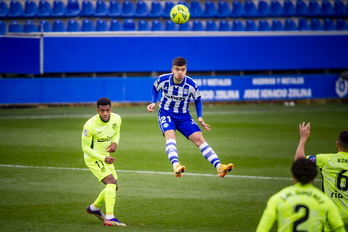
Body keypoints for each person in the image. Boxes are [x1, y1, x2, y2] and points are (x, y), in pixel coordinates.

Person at [146, 57, 234, 178]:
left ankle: (219, 166)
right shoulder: (163, 79)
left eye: (182, 69)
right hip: (166, 114)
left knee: (199, 139)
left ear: (186, 70)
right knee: (170, 136)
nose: (180, 72)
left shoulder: (191, 84)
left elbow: (198, 99)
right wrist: (153, 102)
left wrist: (200, 117)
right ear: (172, 69)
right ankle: (176, 165)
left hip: (184, 116)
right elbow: (155, 88)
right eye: (177, 69)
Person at [256, 158, 346, 232]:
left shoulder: (277, 198)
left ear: (293, 177)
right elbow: (339, 228)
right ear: (314, 177)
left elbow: (262, 229)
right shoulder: (325, 201)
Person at [295, 122, 348, 231]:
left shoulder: (326, 160)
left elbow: (299, 161)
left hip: (333, 216)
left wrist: (303, 138)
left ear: (337, 144)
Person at [82, 97, 126, 227]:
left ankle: (94, 208)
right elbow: (85, 148)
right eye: (102, 111)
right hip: (93, 158)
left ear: (111, 109)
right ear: (97, 111)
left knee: (113, 186)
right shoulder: (89, 125)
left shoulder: (117, 118)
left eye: (107, 110)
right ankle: (110, 218)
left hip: (105, 156)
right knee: (111, 183)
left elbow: (116, 132)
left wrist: (115, 143)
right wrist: (103, 158)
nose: (105, 113)